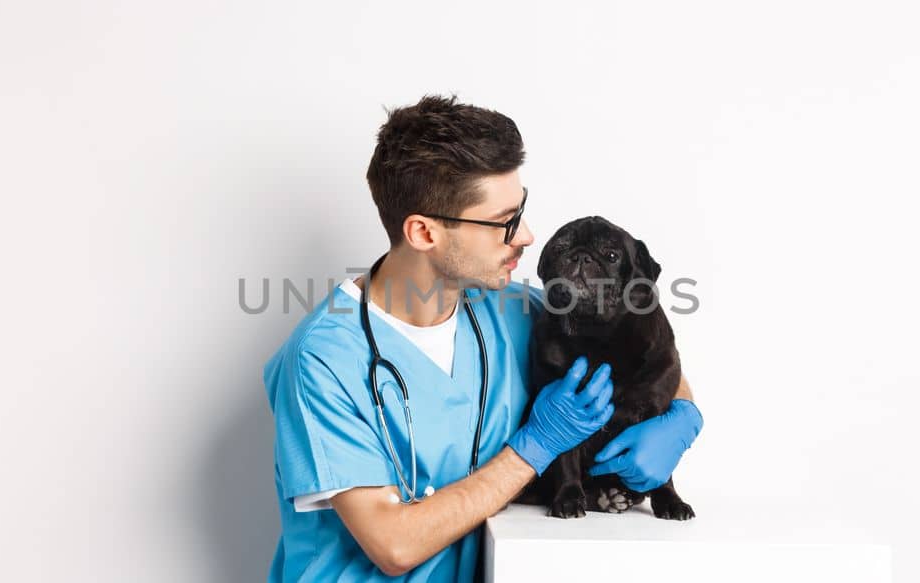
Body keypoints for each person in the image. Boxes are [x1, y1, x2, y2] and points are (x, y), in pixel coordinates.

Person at [263, 94, 705, 581]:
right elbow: (394, 544)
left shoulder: (511, 309)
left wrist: (683, 415)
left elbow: (642, 351)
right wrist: (534, 447)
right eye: (502, 223)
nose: (527, 236)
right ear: (423, 233)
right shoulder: (323, 360)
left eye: (522, 212)